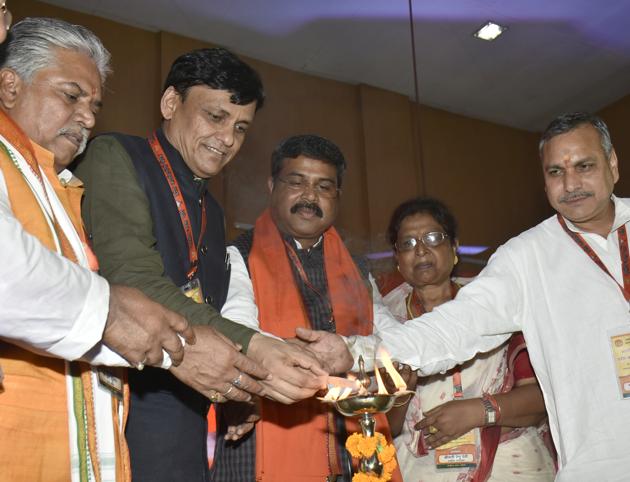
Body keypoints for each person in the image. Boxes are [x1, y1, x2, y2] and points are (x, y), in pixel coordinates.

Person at [298, 112, 630, 481]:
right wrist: (356, 350)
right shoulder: (527, 257)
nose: (571, 183)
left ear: (612, 164)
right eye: (555, 172)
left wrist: (483, 410)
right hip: (597, 466)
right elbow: (457, 325)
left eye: (584, 165)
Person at [75, 50, 325, 482]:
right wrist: (254, 348)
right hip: (121, 409)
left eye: (240, 127)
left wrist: (233, 388)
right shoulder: (117, 155)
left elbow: (207, 312)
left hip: (187, 424)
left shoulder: (212, 210)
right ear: (171, 103)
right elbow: (133, 281)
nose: (227, 138)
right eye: (215, 116)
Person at [0, 17, 198, 482]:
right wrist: (110, 311)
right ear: (9, 87)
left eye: (94, 105)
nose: (89, 117)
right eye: (72, 96)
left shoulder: (62, 188)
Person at [210, 134, 403, 482]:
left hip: (353, 443)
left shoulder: (359, 270)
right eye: (296, 182)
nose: (310, 197)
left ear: (337, 196)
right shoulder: (236, 254)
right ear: (272, 186)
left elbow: (398, 347)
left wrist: (350, 351)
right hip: (260, 439)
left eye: (324, 187)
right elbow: (237, 330)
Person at [382, 197, 555, 481]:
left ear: (454, 247)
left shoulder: (495, 305)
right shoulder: (385, 324)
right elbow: (380, 427)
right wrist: (401, 396)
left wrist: (478, 411)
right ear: (397, 259)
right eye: (408, 243)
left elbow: (539, 399)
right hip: (422, 469)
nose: (421, 249)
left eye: (433, 237)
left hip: (510, 464)